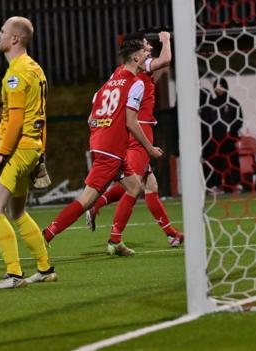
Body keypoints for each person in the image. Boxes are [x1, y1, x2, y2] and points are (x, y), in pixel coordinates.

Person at [41, 39, 163, 256]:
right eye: (144, 53)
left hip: (103, 143)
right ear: (135, 58)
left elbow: (91, 117)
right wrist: (150, 149)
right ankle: (47, 235)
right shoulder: (136, 83)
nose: (147, 55)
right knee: (86, 199)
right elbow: (131, 122)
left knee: (135, 188)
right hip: (111, 149)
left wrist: (101, 134)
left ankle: (116, 242)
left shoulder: (109, 83)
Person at [85, 32, 184, 248]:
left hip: (131, 128)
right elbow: (166, 60)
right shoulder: (141, 65)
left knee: (150, 186)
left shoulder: (118, 73)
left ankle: (171, 234)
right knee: (134, 186)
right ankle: (114, 237)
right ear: (136, 54)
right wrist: (166, 39)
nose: (149, 48)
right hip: (141, 129)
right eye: (146, 45)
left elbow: (100, 96)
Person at [0, 16, 55, 290]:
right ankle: (45, 268)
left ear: (14, 39)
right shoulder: (36, 69)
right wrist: (41, 153)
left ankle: (13, 274)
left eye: (2, 31)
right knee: (18, 212)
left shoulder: (16, 73)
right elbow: (42, 117)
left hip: (16, 150)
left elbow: (16, 122)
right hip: (31, 149)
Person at [201, 77, 243, 193]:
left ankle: (236, 184)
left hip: (229, 139)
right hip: (215, 140)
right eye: (217, 87)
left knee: (233, 161)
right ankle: (215, 185)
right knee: (216, 163)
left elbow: (239, 120)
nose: (219, 89)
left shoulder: (233, 103)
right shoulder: (211, 104)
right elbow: (206, 120)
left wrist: (232, 131)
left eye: (221, 87)